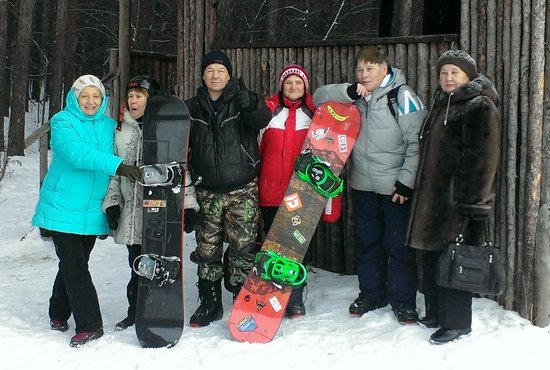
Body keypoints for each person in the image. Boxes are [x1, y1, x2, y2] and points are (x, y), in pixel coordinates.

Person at [313, 46, 427, 324]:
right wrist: (348, 92)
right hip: (362, 185)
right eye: (360, 69)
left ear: (384, 70)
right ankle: (371, 294)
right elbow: (318, 98)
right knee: (367, 243)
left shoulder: (404, 97)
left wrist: (405, 183)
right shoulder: (356, 98)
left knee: (398, 246)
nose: (364, 75)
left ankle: (403, 301)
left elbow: (417, 144)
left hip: (395, 189)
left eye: (370, 69)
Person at [32, 74, 142, 347]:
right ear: (74, 98)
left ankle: (58, 311)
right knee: (75, 265)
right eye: (85, 96)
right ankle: (90, 324)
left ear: (103, 99)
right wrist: (117, 166)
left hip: (92, 209)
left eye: (96, 96)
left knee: (74, 263)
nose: (91, 101)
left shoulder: (108, 126)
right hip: (62, 207)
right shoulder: (62, 122)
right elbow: (76, 153)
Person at [406, 50, 500, 344]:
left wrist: (474, 204)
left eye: (454, 73)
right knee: (434, 258)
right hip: (434, 199)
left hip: (459, 202)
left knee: (456, 261)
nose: (448, 78)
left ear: (468, 77)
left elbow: (484, 158)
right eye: (444, 72)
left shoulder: (478, 106)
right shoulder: (442, 102)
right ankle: (436, 312)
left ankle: (457, 322)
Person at [102, 76, 200, 331]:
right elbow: (114, 171)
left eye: (139, 96)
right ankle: (134, 312)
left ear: (151, 101)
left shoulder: (167, 131)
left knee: (160, 262)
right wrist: (112, 204)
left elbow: (181, 170)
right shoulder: (121, 133)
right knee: (138, 266)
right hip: (133, 215)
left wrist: (188, 207)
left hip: (160, 213)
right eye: (130, 96)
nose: (133, 101)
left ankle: (160, 307)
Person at [184, 50, 270, 327]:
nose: (215, 75)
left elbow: (262, 120)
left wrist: (250, 106)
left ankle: (241, 303)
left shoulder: (244, 99)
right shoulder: (191, 107)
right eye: (210, 70)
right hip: (206, 190)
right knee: (207, 250)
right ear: (203, 75)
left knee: (241, 249)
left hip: (241, 189)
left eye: (221, 70)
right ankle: (209, 304)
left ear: (229, 75)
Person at [258, 64, 319, 317]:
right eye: (288, 82)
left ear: (305, 87)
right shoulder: (268, 112)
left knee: (296, 245)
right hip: (271, 190)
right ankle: (272, 292)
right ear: (281, 85)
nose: (293, 87)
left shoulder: (314, 115)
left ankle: (294, 295)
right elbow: (255, 147)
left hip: (300, 191)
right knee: (273, 245)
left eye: (298, 82)